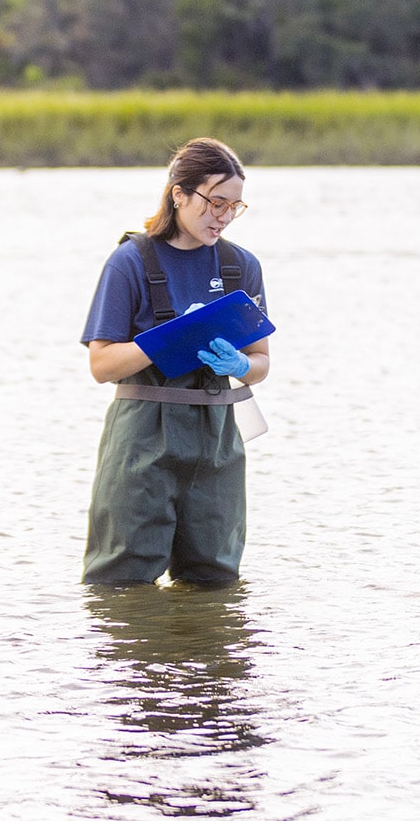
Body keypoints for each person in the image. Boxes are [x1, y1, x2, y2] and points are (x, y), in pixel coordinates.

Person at [81, 138, 270, 585]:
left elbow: (261, 362)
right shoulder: (129, 262)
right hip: (142, 437)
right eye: (215, 202)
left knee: (216, 580)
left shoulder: (241, 267)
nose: (223, 216)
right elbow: (101, 365)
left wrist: (240, 367)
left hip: (219, 439)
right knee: (120, 579)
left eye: (234, 206)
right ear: (179, 194)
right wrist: (169, 339)